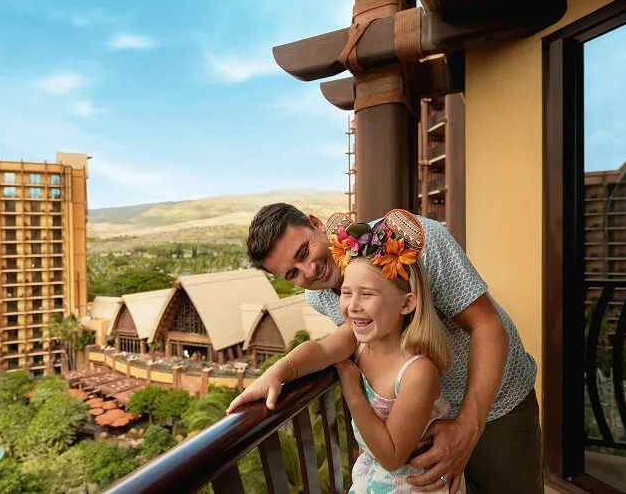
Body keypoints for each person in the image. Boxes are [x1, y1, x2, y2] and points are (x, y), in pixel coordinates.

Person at [244, 203, 542, 494]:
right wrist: (278, 372)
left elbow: (487, 326)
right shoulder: (320, 297)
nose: (308, 271)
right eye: (292, 274)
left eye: (304, 251)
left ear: (316, 224)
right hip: (420, 425)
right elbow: (344, 345)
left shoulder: (419, 243)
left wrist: (467, 425)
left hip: (495, 404)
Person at [229, 210, 465, 493]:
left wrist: (352, 391)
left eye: (366, 294)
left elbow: (391, 457)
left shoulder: (417, 372)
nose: (353, 306)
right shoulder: (359, 339)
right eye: (346, 292)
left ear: (406, 304)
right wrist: (278, 372)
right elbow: (320, 349)